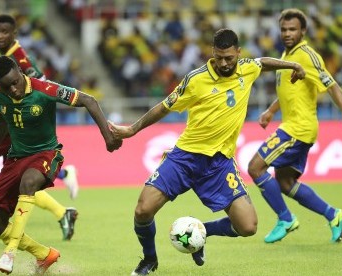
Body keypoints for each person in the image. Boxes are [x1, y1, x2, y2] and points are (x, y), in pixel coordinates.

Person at [109, 28, 305, 276]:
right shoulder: (196, 79)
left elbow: (263, 62)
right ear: (213, 53)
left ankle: (202, 230)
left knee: (248, 226)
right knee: (143, 210)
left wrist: (292, 65)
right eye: (219, 57)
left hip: (220, 164)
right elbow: (164, 107)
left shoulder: (247, 68)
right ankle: (149, 259)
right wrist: (132, 129)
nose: (224, 63)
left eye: (229, 58)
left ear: (238, 53)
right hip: (184, 158)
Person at [0, 55, 122, 274]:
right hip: (15, 159)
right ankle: (44, 254)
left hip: (46, 153)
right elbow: (2, 121)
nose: (13, 89)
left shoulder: (46, 89)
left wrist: (107, 136)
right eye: (6, 87)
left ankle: (9, 252)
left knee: (29, 183)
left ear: (20, 72)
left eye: (15, 82)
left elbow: (89, 100)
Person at [0, 14, 80, 244]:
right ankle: (63, 210)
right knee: (18, 178)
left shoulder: (18, 58)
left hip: (14, 121)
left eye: (5, 32)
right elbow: (2, 87)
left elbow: (36, 86)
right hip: (8, 117)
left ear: (14, 34)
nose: (0, 36)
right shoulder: (5, 56)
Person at [247, 8, 342, 244]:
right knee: (286, 183)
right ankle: (334, 215)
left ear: (303, 31)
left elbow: (332, 85)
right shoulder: (286, 56)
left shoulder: (307, 54)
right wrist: (270, 111)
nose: (287, 33)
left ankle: (285, 219)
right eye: (284, 29)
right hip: (294, 126)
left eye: (292, 29)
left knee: (255, 168)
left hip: (298, 128)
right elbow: (289, 91)